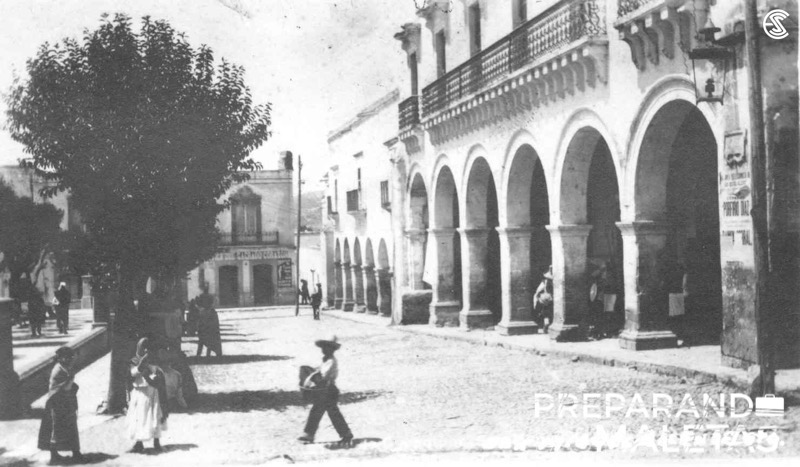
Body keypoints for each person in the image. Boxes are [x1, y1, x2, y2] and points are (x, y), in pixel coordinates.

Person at [298, 335, 353, 446]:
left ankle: (345, 434)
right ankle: (309, 434)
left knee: (331, 412)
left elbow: (324, 376)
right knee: (319, 410)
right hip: (324, 389)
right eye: (323, 347)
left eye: (327, 347)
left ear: (332, 349)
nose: (324, 349)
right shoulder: (326, 360)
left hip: (329, 389)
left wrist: (313, 376)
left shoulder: (331, 361)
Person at [38, 347, 84, 465]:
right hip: (57, 403)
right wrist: (71, 378)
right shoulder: (58, 370)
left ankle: (75, 452)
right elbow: (64, 387)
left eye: (71, 357)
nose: (70, 359)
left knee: (70, 426)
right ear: (60, 358)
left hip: (65, 402)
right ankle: (55, 456)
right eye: (68, 357)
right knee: (56, 428)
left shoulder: (64, 367)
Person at [127, 338, 168, 453]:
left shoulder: (154, 360)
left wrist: (156, 375)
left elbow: (159, 373)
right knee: (139, 417)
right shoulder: (134, 361)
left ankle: (156, 442)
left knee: (154, 416)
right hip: (140, 393)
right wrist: (142, 363)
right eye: (142, 347)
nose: (145, 350)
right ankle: (139, 443)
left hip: (152, 392)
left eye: (147, 348)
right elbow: (132, 373)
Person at [533, 266, 554, 333]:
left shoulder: (545, 281)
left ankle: (546, 323)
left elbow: (538, 290)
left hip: (546, 298)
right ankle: (549, 324)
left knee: (545, 312)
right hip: (554, 299)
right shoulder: (556, 282)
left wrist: (536, 296)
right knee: (551, 312)